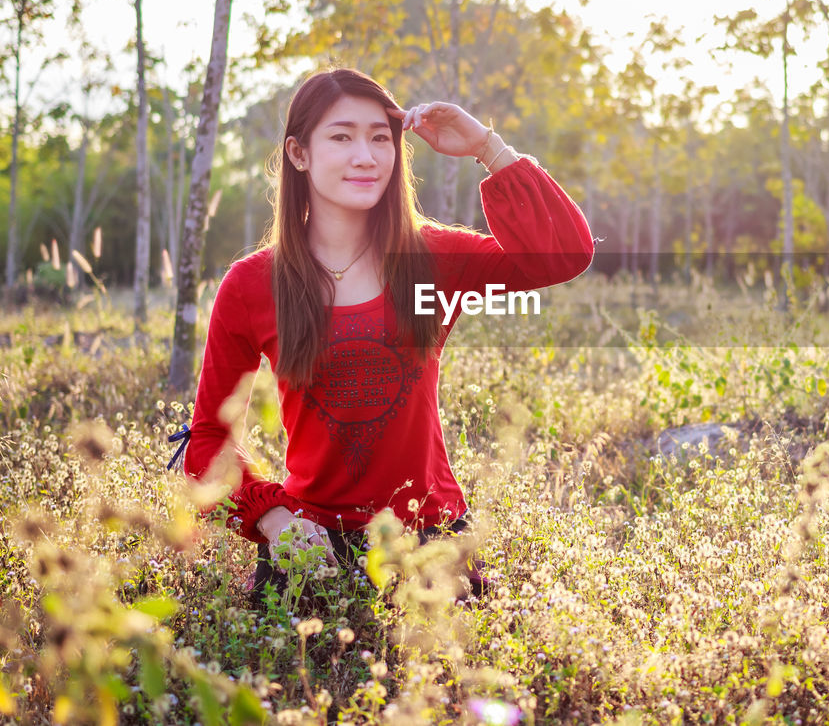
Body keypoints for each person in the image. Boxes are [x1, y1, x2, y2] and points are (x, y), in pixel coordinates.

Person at [181, 68, 594, 601]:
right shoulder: (252, 284)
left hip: (430, 540)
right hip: (312, 545)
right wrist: (276, 521)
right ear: (299, 154)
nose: (367, 156)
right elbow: (208, 440)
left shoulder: (432, 260)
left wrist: (486, 147)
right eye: (342, 136)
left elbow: (565, 255)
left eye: (381, 137)